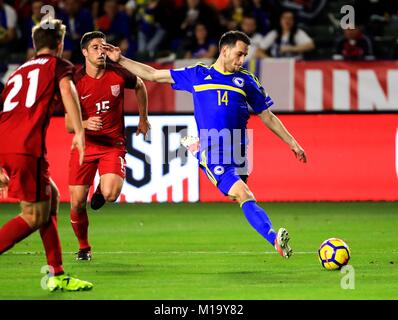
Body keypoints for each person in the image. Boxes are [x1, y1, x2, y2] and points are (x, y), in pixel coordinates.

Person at [102, 30, 307, 258]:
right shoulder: (197, 75)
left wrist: (292, 142)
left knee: (238, 195)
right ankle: (274, 239)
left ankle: (195, 149)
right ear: (225, 50)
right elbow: (153, 75)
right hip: (214, 150)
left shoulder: (247, 80)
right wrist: (120, 60)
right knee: (243, 193)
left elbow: (267, 115)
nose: (241, 61)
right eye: (239, 55)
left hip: (239, 149)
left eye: (245, 56)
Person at [0, 19, 93, 291]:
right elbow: (67, 90)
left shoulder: (17, 73)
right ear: (61, 44)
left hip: (7, 144)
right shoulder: (58, 66)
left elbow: (6, 113)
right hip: (26, 148)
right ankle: (56, 274)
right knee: (33, 216)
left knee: (50, 197)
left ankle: (57, 273)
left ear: (34, 44)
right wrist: (78, 130)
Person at [65, 31, 150, 261]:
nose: (101, 51)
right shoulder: (75, 79)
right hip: (85, 145)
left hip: (112, 145)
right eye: (95, 47)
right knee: (77, 202)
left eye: (103, 47)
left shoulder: (118, 73)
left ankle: (101, 191)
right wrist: (84, 123)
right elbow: (68, 124)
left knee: (111, 194)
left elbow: (141, 84)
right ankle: (84, 247)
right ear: (84, 52)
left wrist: (143, 118)